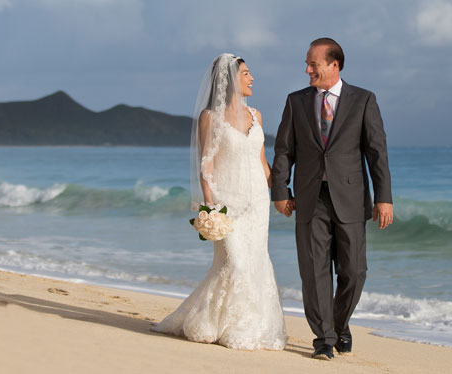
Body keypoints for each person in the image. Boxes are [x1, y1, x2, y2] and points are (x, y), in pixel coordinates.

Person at [152, 54, 287, 350]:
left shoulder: (257, 116)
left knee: (254, 263)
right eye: (247, 73)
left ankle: (246, 324)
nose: (252, 79)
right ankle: (211, 321)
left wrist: (281, 193)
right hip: (228, 204)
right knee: (234, 263)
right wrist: (211, 208)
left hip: (257, 205)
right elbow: (207, 166)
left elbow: (263, 163)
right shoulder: (209, 118)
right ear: (230, 79)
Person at [271, 38, 393, 360]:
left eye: (313, 63)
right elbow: (284, 150)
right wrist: (280, 192)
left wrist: (384, 198)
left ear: (334, 65)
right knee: (314, 271)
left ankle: (339, 323)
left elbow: (376, 152)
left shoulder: (363, 100)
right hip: (310, 198)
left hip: (351, 197)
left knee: (354, 272)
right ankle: (324, 339)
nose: (307, 69)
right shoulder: (296, 101)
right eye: (307, 63)